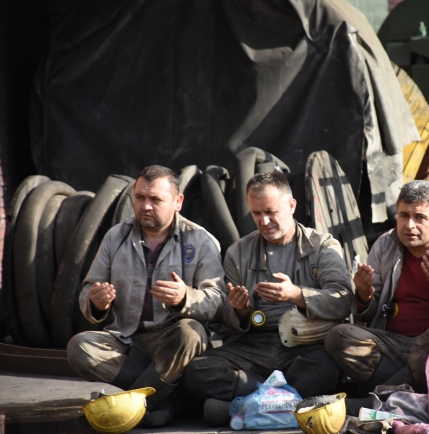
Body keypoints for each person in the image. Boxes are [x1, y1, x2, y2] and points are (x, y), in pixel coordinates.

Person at [183, 171, 353, 426]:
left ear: (291, 205)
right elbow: (224, 319)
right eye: (256, 213)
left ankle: (248, 405)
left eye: (271, 212)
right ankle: (288, 405)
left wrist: (296, 294)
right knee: (198, 370)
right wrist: (239, 310)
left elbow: (343, 299)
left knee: (326, 367)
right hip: (253, 345)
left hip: (304, 345)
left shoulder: (322, 246)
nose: (264, 221)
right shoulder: (238, 252)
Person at [67, 165, 225, 427]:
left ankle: (137, 404)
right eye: (140, 197)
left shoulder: (201, 241)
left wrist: (185, 297)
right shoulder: (116, 237)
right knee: (80, 348)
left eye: (155, 199)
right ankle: (171, 398)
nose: (146, 206)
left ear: (178, 202)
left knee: (191, 332)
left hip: (174, 343)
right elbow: (88, 289)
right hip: (129, 341)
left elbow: (218, 301)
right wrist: (96, 302)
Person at [324, 180, 429, 407]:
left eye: (420, 217)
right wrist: (364, 295)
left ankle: (377, 398)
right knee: (339, 336)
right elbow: (369, 314)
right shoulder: (385, 245)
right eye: (403, 216)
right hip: (394, 347)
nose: (409, 225)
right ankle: (414, 391)